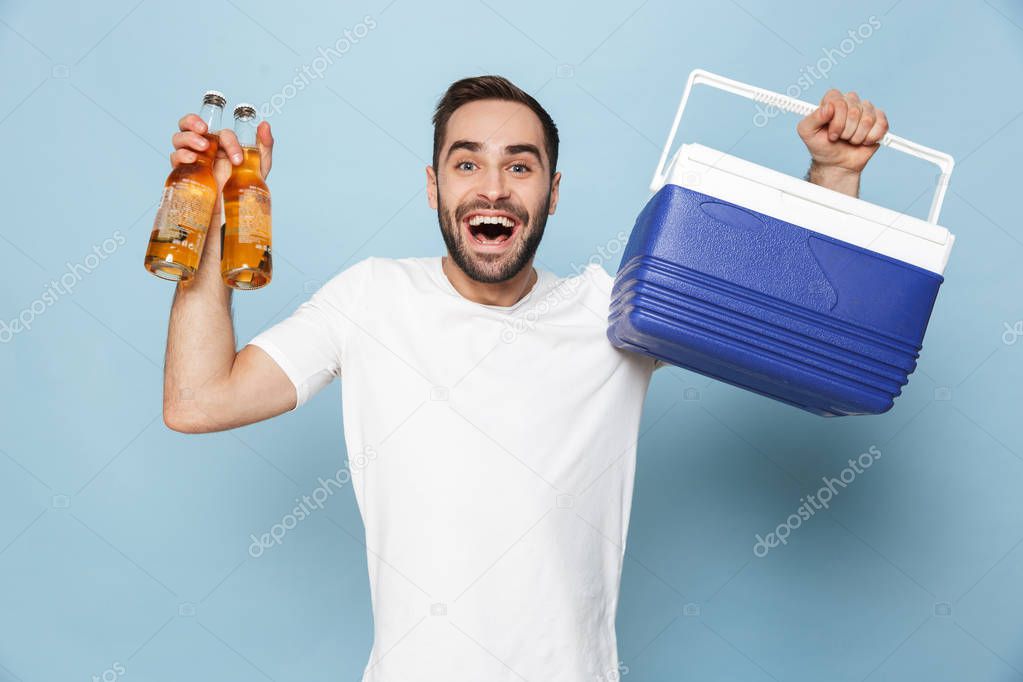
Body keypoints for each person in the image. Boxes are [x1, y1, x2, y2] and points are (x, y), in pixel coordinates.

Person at [161, 75, 889, 681]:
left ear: (552, 190)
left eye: (519, 165)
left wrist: (832, 175)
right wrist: (214, 222)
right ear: (432, 185)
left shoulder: (619, 309)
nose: (493, 188)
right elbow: (197, 403)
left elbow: (795, 312)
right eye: (466, 162)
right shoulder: (371, 297)